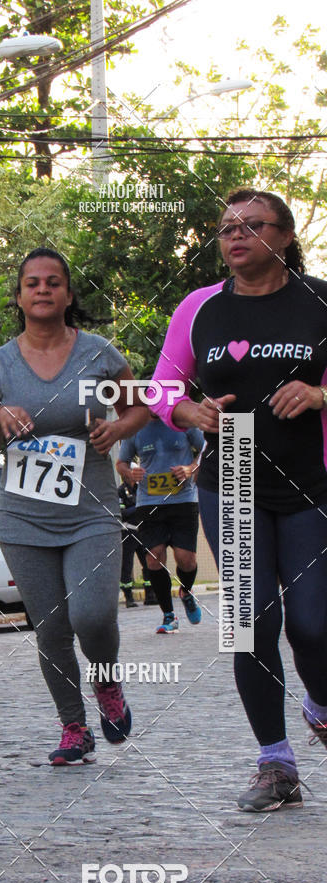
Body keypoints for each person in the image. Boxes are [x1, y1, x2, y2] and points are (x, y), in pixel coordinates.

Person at [149, 188, 327, 811]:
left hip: (312, 480)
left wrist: (319, 394)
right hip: (233, 479)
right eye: (227, 227)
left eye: (253, 225)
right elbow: (161, 384)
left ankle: (321, 703)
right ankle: (275, 764)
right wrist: (184, 408)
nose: (236, 235)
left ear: (284, 235)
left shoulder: (320, 300)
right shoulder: (200, 309)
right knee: (253, 624)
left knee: (314, 624)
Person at [0, 247, 148, 766]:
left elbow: (140, 408)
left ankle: (107, 682)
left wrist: (117, 427)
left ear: (68, 295)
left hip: (91, 511)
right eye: (32, 283)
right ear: (20, 296)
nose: (42, 289)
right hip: (23, 518)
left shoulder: (99, 354)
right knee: (50, 628)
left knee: (92, 616)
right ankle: (74, 726)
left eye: (53, 282)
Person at [116, 415, 204, 632]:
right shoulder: (135, 426)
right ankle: (168, 616)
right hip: (149, 502)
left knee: (186, 560)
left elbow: (206, 451)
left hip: (183, 500)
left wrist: (190, 469)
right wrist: (129, 473)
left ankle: (185, 591)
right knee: (154, 558)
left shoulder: (183, 420)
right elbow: (121, 463)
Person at [117, 478, 158, 608]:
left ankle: (150, 595)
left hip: (143, 531)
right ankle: (129, 597)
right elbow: (120, 513)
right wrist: (137, 508)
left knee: (148, 563)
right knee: (127, 565)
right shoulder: (120, 491)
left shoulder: (142, 490)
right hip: (127, 532)